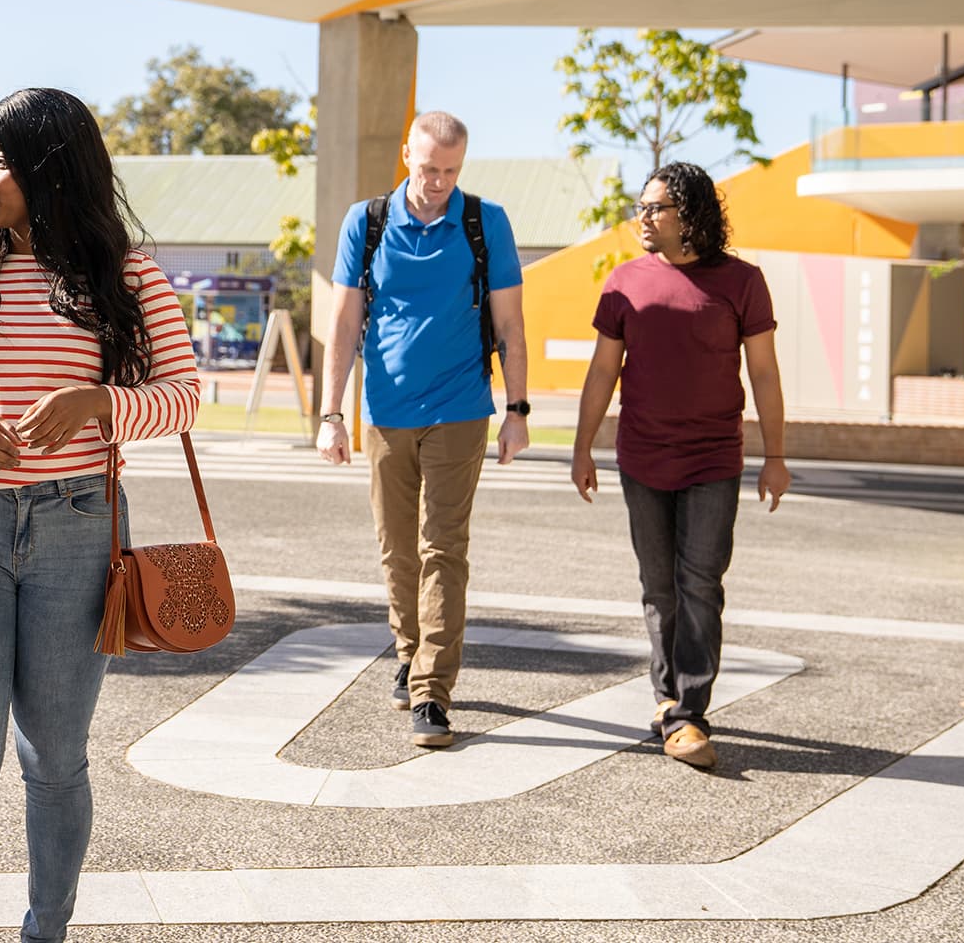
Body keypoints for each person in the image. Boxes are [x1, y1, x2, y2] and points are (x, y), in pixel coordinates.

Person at [0, 87, 201, 943]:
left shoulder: (127, 274)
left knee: (55, 760)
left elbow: (181, 397)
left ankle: (46, 933)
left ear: (50, 169)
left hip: (79, 528)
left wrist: (98, 402)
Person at [315, 110, 529, 749]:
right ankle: (410, 651)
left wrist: (517, 412)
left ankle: (432, 692)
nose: (438, 182)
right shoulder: (368, 221)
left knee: (444, 548)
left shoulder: (484, 222)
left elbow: (513, 327)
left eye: (451, 171)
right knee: (397, 549)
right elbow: (344, 326)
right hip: (385, 411)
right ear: (407, 152)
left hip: (461, 410)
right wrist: (331, 415)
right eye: (429, 167)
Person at [569, 161, 790, 771]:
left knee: (700, 584)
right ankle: (670, 699)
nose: (642, 218)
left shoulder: (742, 282)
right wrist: (583, 446)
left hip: (714, 457)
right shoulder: (624, 283)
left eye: (654, 208)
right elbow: (602, 372)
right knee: (658, 589)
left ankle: (689, 712)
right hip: (641, 457)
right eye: (640, 207)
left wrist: (775, 456)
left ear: (688, 214)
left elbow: (764, 373)